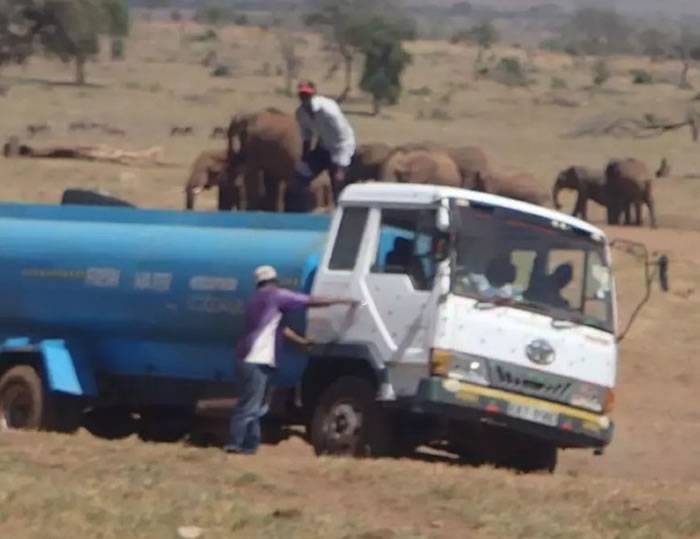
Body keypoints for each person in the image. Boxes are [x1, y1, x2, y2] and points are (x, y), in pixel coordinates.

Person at [224, 265, 355, 455]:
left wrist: (301, 342)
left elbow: (279, 328)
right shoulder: (275, 296)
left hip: (246, 356)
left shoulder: (254, 299)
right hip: (257, 357)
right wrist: (340, 301)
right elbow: (308, 301)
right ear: (274, 281)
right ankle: (236, 443)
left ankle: (249, 445)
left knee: (255, 404)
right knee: (252, 404)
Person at [291, 81, 357, 210]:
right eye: (302, 95)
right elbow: (307, 136)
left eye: (307, 95)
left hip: (341, 146)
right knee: (300, 175)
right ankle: (304, 211)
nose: (305, 98)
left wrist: (340, 164)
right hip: (324, 147)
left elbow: (343, 136)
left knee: (338, 181)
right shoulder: (300, 114)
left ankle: (340, 211)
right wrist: (305, 159)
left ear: (313, 94)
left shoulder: (328, 109)